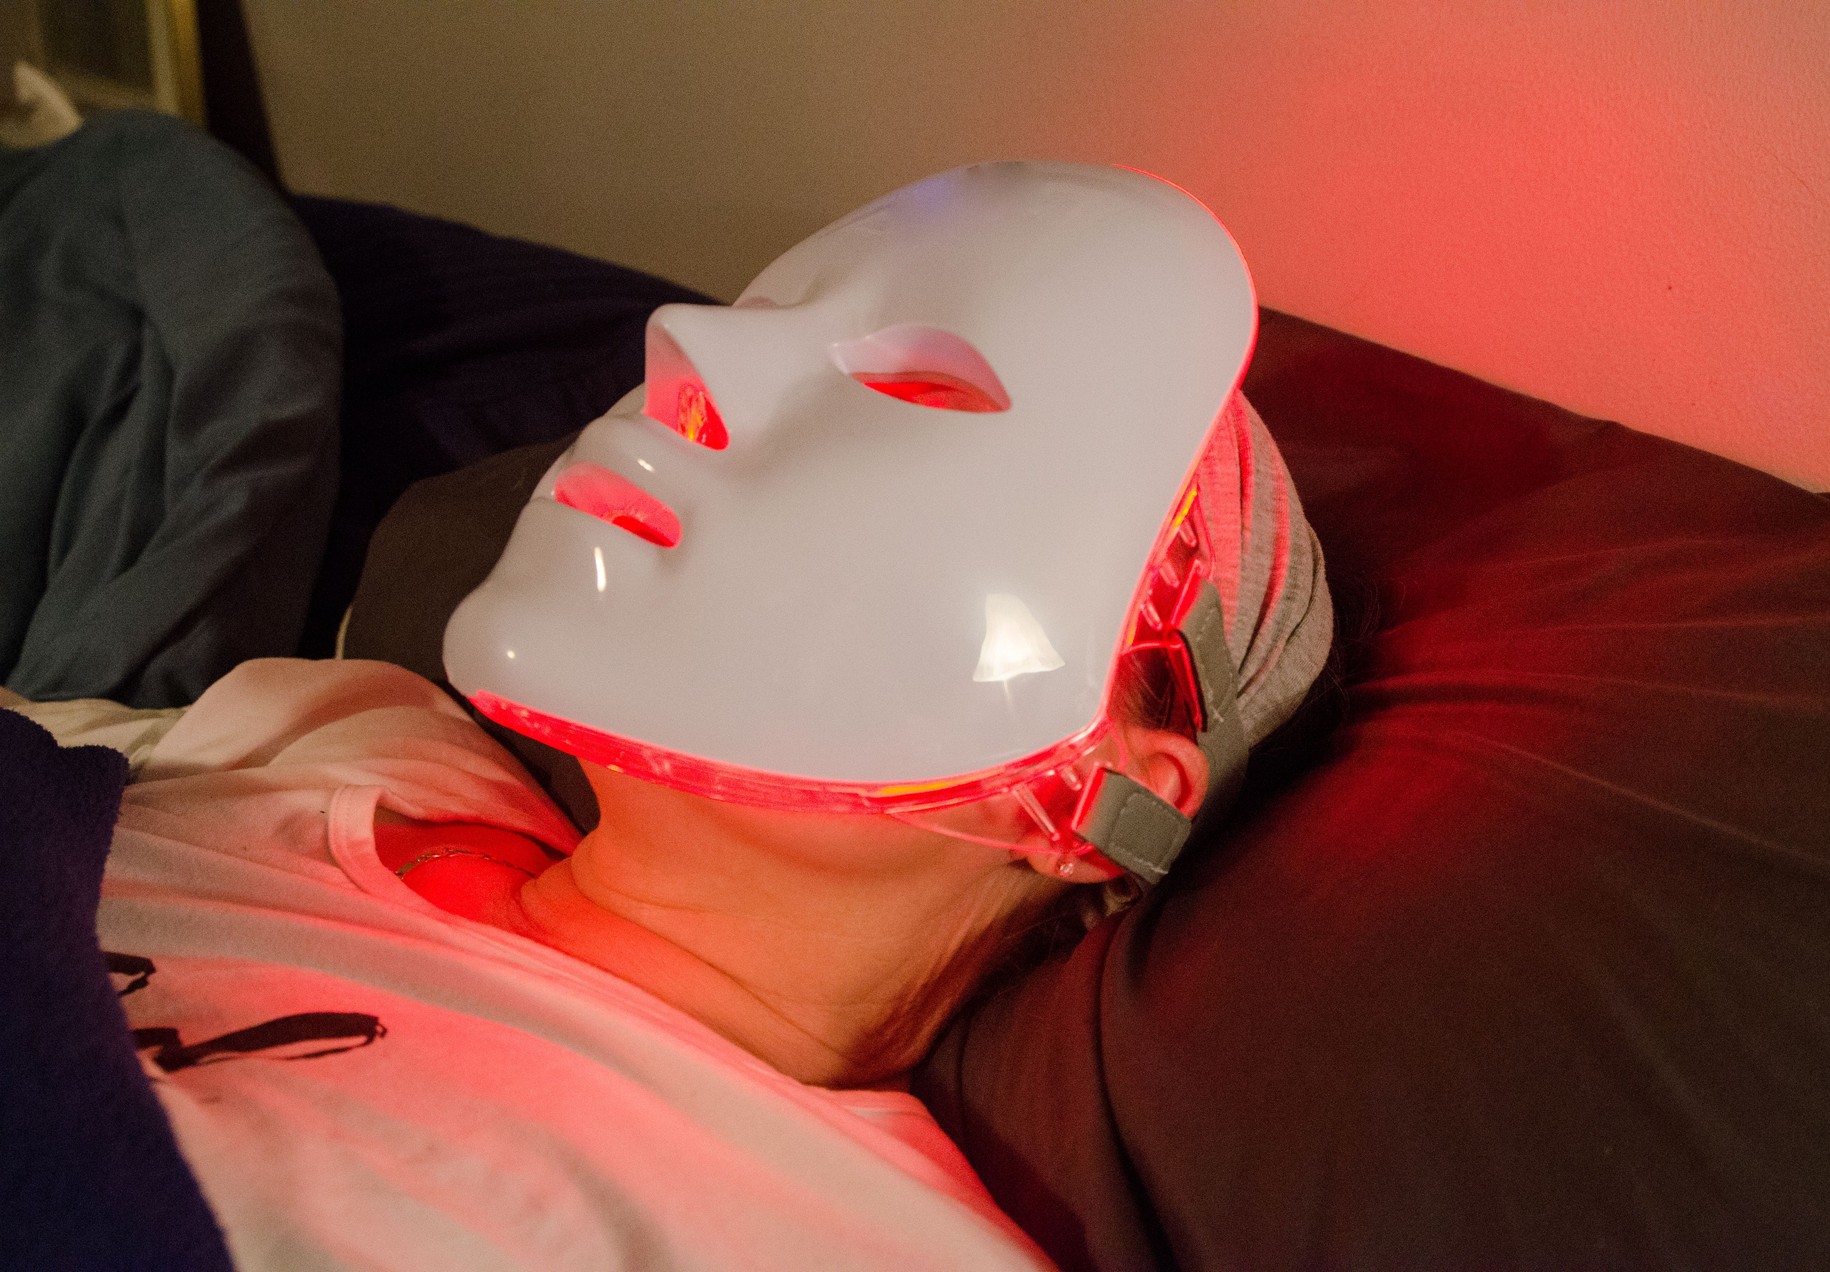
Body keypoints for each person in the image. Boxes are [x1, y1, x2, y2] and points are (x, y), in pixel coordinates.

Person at [13, 162, 1331, 1268]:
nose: (683, 352)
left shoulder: (847, 1245)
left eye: (919, 390)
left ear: (1111, 792)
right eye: (761, 316)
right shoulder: (370, 737)